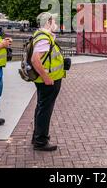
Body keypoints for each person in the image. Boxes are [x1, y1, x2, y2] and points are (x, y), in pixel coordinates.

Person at [31, 12, 66, 151]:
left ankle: (38, 136)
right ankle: (41, 141)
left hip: (48, 79)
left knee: (41, 107)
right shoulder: (44, 38)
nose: (55, 23)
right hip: (48, 81)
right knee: (45, 109)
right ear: (48, 22)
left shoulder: (42, 35)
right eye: (54, 21)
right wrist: (46, 77)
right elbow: (35, 59)